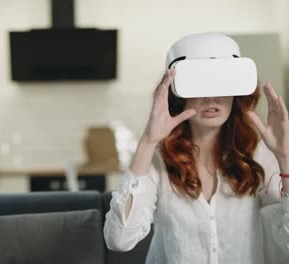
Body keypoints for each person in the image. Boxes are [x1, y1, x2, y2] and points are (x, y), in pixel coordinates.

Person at [103, 33, 289, 264]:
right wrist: (148, 141)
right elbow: (119, 240)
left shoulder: (258, 155)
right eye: (200, 83)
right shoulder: (158, 160)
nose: (212, 97)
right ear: (178, 94)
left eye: (221, 83)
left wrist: (285, 158)